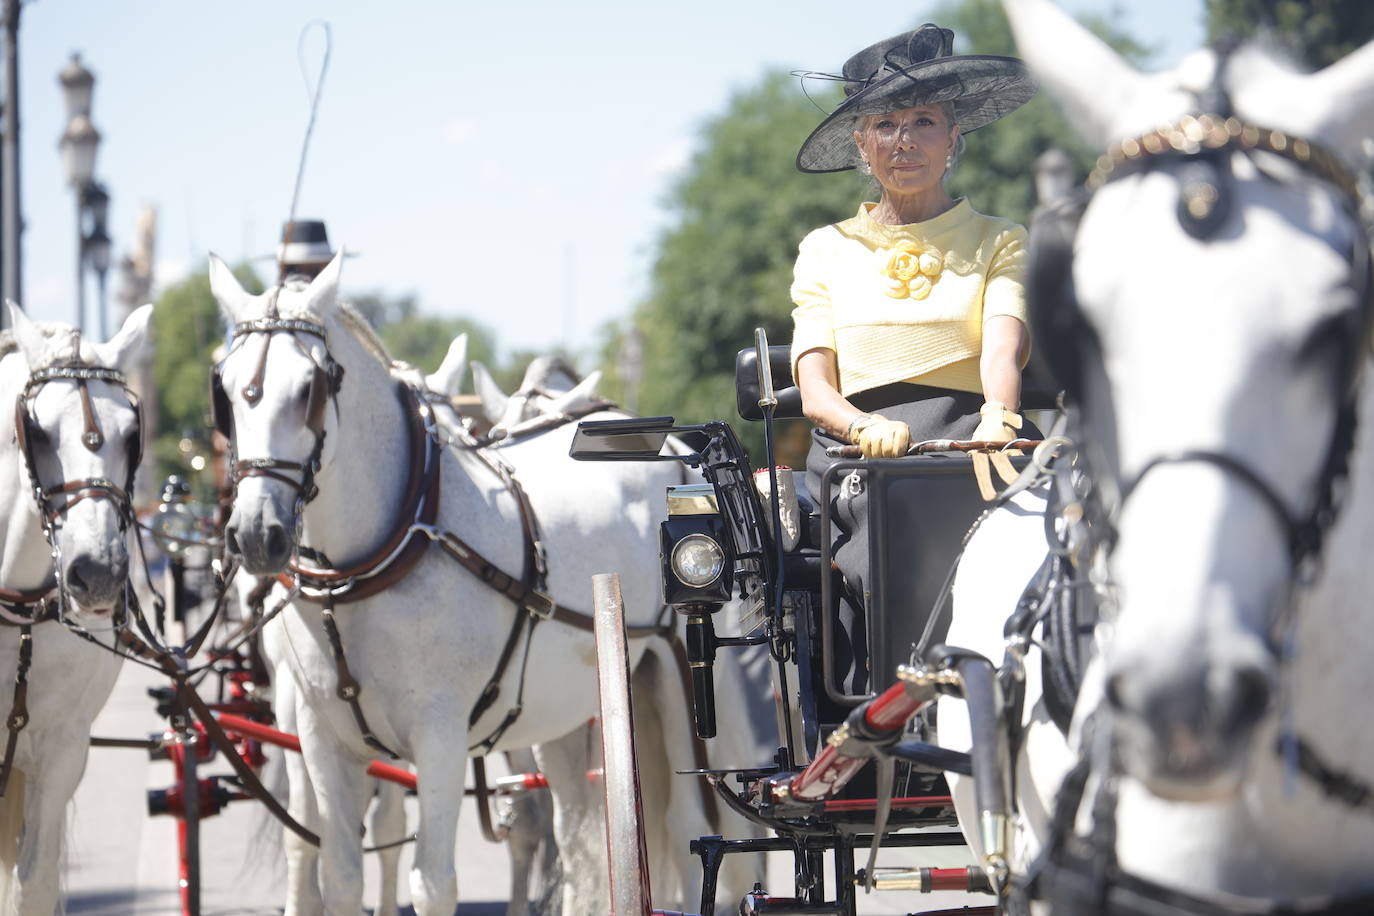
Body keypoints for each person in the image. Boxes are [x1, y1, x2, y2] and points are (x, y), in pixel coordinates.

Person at [789, 24, 1038, 692]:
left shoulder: (999, 240)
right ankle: (894, 696)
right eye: (886, 124)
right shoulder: (825, 247)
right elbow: (814, 388)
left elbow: (1003, 345)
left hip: (972, 440)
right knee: (894, 513)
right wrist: (863, 427)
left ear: (953, 136)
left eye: (924, 121)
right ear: (862, 146)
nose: (905, 140)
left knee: (1058, 515)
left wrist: (1000, 417)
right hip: (858, 455)